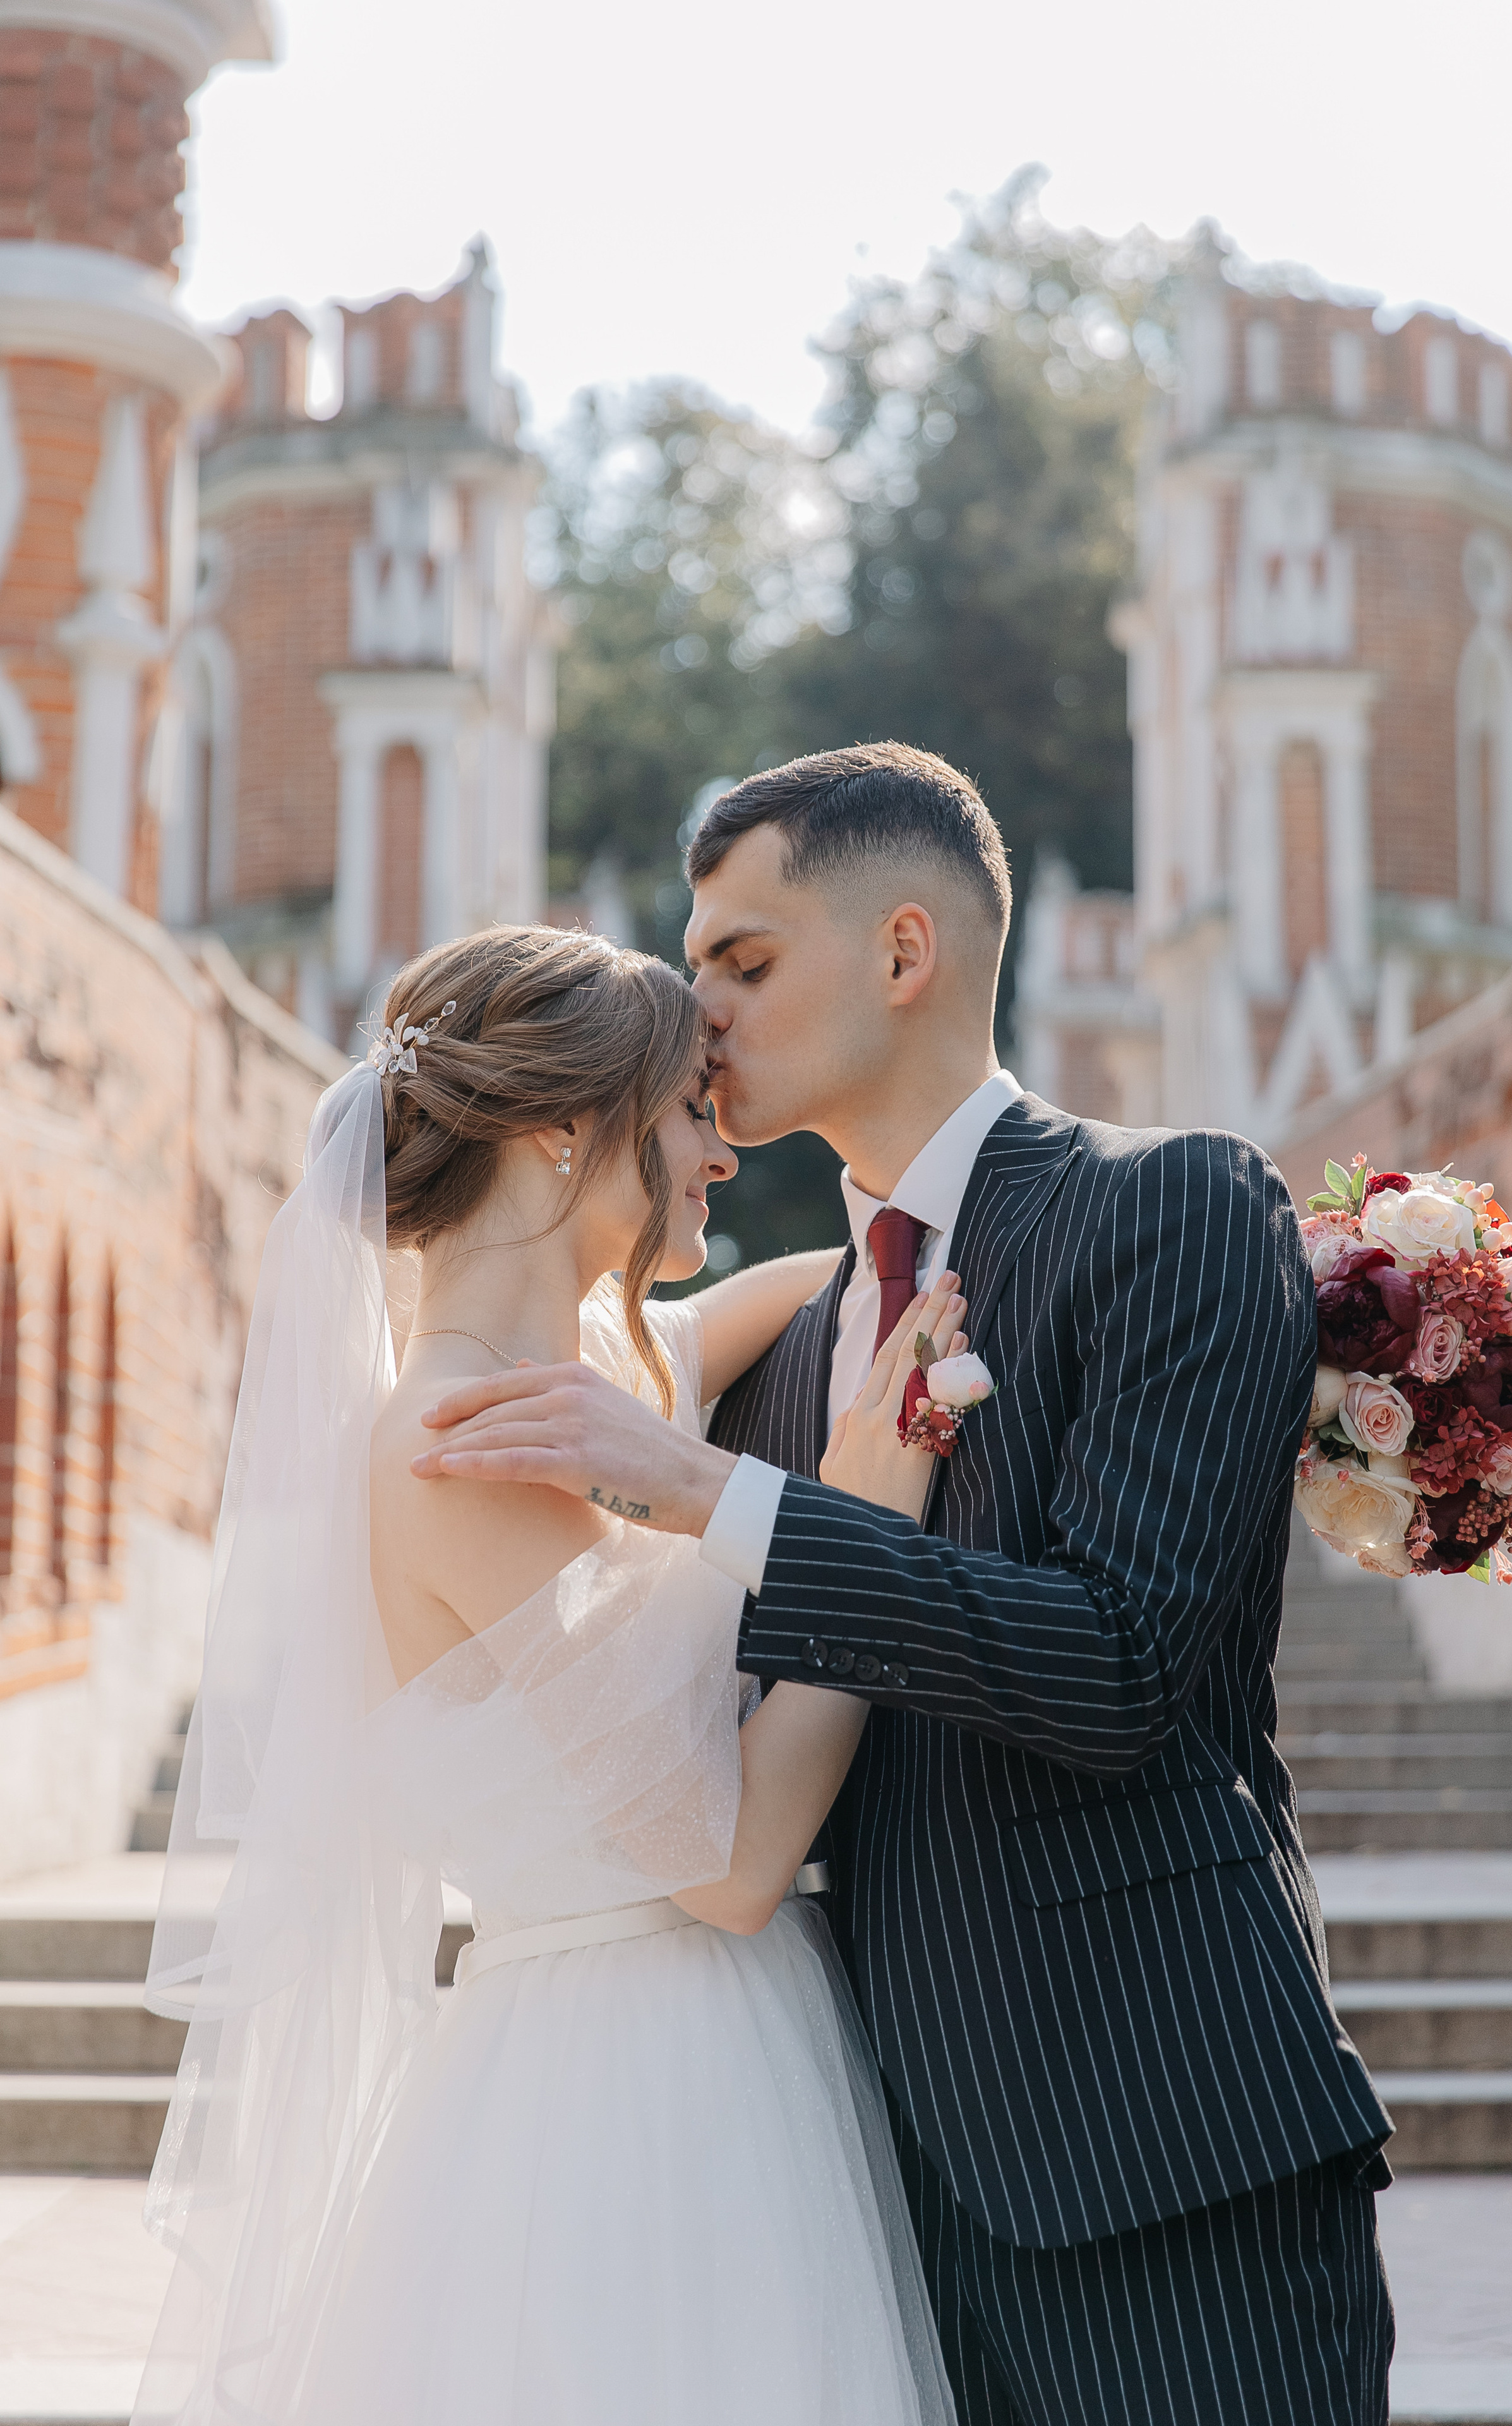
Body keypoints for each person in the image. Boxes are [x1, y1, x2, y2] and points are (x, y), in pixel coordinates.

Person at [413, 744, 1398, 2426]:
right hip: (861, 2190)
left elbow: (1122, 1670)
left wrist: (720, 1496)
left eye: (743, 960)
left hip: (1166, 2154)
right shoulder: (780, 1355)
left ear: (903, 951)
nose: (698, 1012)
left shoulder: (1167, 1206)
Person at [136, 924, 962, 2425]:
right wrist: (862, 1515)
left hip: (712, 2043)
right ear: (558, 1131)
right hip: (626, 2092)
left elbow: (724, 1320)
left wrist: (913, 1269)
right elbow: (725, 1863)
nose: (718, 1153)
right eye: (687, 1113)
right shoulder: (461, 1447)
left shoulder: (590, 1375)